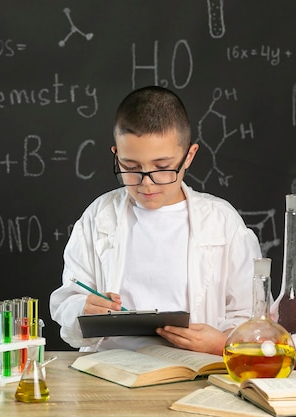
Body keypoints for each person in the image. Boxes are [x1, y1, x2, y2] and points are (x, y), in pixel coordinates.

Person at [49, 85, 262, 355]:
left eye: (162, 168)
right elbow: (67, 299)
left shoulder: (222, 222)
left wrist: (222, 344)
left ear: (189, 156)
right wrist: (83, 308)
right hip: (110, 368)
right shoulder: (98, 216)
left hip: (196, 368)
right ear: (117, 155)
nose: (146, 184)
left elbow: (254, 316)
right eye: (131, 167)